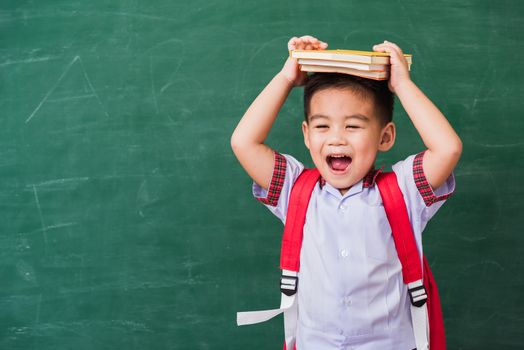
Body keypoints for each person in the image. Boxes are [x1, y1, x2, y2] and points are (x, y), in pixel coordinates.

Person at [231, 35, 462, 350]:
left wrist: (402, 86)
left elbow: (447, 148)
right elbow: (243, 142)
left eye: (353, 126)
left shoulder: (403, 190)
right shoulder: (295, 190)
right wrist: (287, 77)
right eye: (322, 126)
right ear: (307, 135)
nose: (336, 138)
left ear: (385, 137)